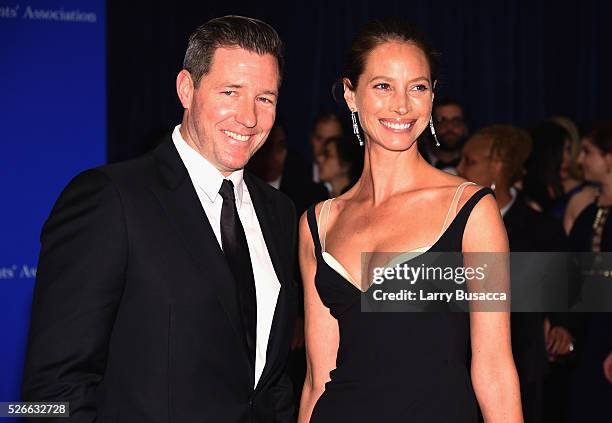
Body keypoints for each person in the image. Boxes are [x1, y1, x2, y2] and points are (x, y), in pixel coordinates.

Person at [21, 16, 297, 423]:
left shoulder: (280, 213)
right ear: (187, 88)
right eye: (230, 92)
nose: (249, 117)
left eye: (265, 99)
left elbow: (268, 382)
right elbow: (51, 389)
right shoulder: (111, 199)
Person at [298, 19, 522, 422]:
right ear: (351, 94)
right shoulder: (319, 223)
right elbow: (317, 378)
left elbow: (494, 369)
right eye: (383, 86)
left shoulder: (469, 210)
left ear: (433, 96)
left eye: (418, 87)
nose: (402, 105)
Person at [457, 124, 572, 423]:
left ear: (496, 167)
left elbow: (567, 288)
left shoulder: (539, 229)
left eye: (469, 161)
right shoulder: (448, 226)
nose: (458, 168)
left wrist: (561, 325)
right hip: (458, 367)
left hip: (524, 365)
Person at [420, 98, 469, 175]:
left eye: (456, 121)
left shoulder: (476, 165)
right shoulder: (416, 162)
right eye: (441, 120)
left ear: (465, 126)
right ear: (430, 126)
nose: (449, 127)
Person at [308, 112, 344, 183]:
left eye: (332, 140)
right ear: (311, 139)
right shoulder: (296, 177)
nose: (324, 145)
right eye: (319, 138)